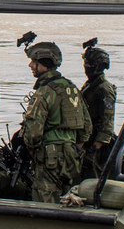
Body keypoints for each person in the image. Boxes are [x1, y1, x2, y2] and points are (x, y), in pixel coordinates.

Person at [20, 42, 91, 203]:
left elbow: (33, 134)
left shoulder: (44, 92)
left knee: (44, 199)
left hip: (48, 157)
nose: (30, 65)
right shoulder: (71, 88)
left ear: (43, 64)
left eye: (34, 62)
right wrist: (72, 146)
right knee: (69, 197)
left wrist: (34, 150)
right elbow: (87, 128)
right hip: (71, 155)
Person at [80, 41, 117, 177]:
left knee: (94, 171)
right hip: (88, 135)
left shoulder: (104, 89)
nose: (86, 67)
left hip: (98, 141)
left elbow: (108, 118)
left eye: (89, 64)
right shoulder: (91, 85)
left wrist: (99, 142)